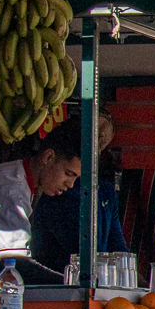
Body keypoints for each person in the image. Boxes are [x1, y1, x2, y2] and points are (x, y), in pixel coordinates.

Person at [0, 119, 82, 283]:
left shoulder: (21, 180)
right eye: (69, 173)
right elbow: (15, 265)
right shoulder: (11, 189)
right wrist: (69, 285)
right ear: (48, 157)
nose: (70, 184)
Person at [30, 110, 126, 275]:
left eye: (102, 137)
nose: (97, 137)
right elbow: (76, 248)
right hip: (55, 283)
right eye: (92, 132)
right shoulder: (54, 187)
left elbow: (119, 249)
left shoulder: (106, 191)